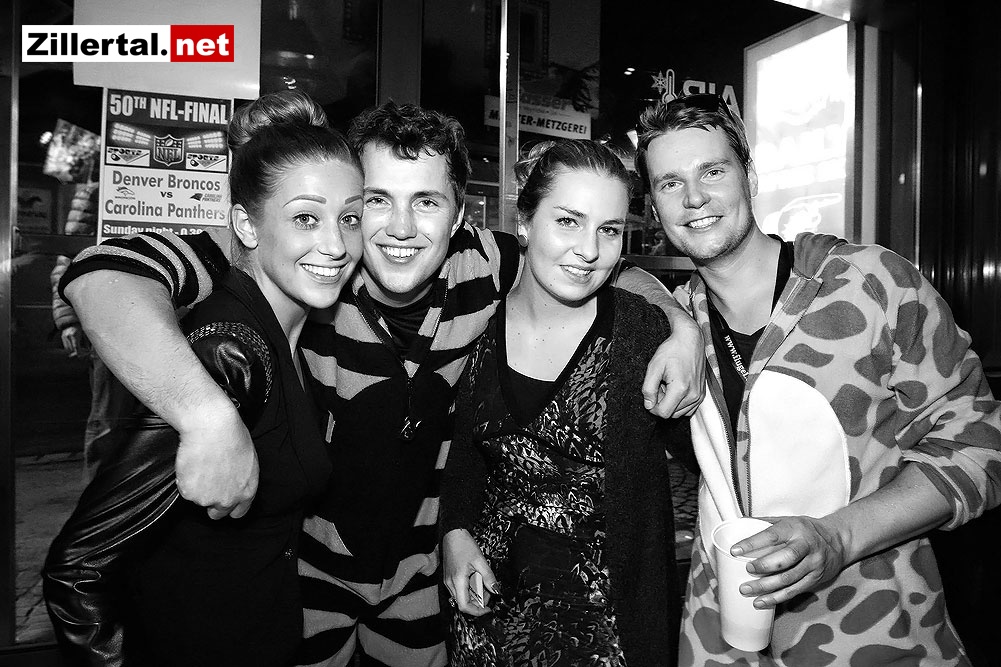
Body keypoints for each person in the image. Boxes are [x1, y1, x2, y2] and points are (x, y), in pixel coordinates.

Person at [56, 102, 706, 667]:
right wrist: (204, 412)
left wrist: (679, 326)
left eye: (426, 202)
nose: (400, 228)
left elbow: (593, 261)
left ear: (458, 216)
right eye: (375, 201)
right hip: (305, 575)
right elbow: (106, 271)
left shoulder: (484, 264)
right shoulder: (308, 265)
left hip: (419, 575)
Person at [635, 93, 1001, 665]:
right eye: (670, 183)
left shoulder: (870, 283)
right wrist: (677, 320)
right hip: (721, 641)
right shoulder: (676, 323)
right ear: (654, 208)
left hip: (875, 636)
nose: (694, 198)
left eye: (712, 171)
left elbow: (981, 447)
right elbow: (585, 270)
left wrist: (839, 536)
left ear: (750, 176)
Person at [43, 89, 364, 666]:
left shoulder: (292, 335)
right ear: (244, 222)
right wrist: (208, 416)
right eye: (305, 218)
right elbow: (77, 570)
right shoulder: (229, 353)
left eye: (350, 218)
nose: (336, 245)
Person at [440, 139, 695, 667]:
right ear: (525, 222)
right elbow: (466, 456)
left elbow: (720, 458)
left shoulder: (642, 335)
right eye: (568, 222)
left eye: (609, 230)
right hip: (490, 622)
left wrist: (686, 326)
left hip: (607, 636)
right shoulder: (476, 320)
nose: (589, 250)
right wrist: (455, 533)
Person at [51, 255, 138, 480]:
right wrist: (69, 320)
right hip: (111, 325)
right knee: (109, 418)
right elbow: (66, 265)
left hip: (159, 319)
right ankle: (97, 493)